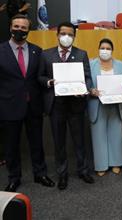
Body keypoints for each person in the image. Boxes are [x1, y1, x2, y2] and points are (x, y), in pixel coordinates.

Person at [0, 14, 54, 192]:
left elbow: (38, 77)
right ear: (10, 27)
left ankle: (40, 174)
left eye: (23, 28)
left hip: (33, 106)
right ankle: (14, 177)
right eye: (16, 26)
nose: (19, 30)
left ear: (28, 30)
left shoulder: (37, 51)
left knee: (37, 142)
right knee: (11, 146)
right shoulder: (1, 50)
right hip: (9, 106)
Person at [38, 22, 94, 190]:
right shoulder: (46, 55)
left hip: (76, 104)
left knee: (79, 141)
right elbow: (40, 76)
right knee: (59, 142)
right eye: (63, 33)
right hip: (56, 105)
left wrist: (85, 89)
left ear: (74, 36)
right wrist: (49, 82)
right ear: (57, 35)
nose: (66, 37)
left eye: (70, 34)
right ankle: (62, 174)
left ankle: (83, 171)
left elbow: (88, 77)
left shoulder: (81, 54)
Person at [88, 39, 122, 177]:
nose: (105, 50)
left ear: (112, 50)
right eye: (102, 48)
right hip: (97, 104)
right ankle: (101, 165)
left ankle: (116, 162)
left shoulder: (120, 65)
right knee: (99, 136)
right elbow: (86, 83)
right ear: (98, 49)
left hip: (115, 104)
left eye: (108, 48)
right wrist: (91, 90)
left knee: (115, 135)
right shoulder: (91, 64)